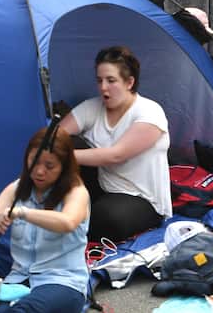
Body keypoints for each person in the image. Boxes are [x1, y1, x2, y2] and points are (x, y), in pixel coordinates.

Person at [0, 127, 90, 313]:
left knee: (23, 311)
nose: (39, 171)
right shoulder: (16, 189)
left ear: (64, 167)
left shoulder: (76, 191)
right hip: (18, 280)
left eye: (49, 166)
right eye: (34, 162)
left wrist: (23, 212)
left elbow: (67, 222)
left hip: (63, 281)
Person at [60, 46, 170, 241]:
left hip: (141, 199)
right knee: (66, 142)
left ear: (129, 82)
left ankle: (74, 217)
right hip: (102, 188)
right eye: (99, 80)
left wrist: (64, 156)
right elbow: (55, 135)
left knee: (106, 217)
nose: (103, 87)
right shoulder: (93, 107)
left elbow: (116, 155)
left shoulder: (150, 112)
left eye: (111, 81)